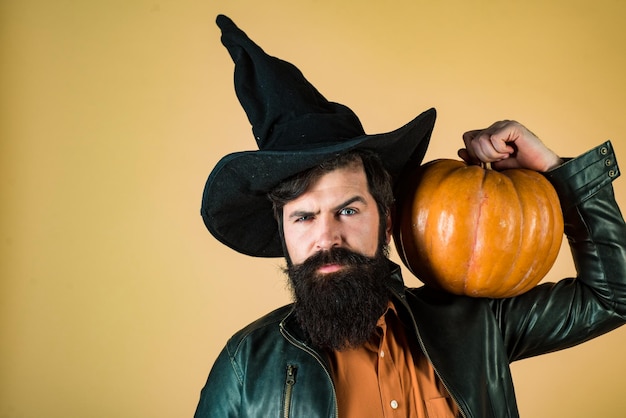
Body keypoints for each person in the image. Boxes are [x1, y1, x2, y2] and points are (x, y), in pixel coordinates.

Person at [195, 15, 626, 418]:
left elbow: (615, 295)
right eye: (304, 218)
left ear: (387, 220)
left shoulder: (475, 325)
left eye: (348, 209)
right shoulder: (244, 368)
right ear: (284, 234)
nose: (327, 236)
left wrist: (555, 173)